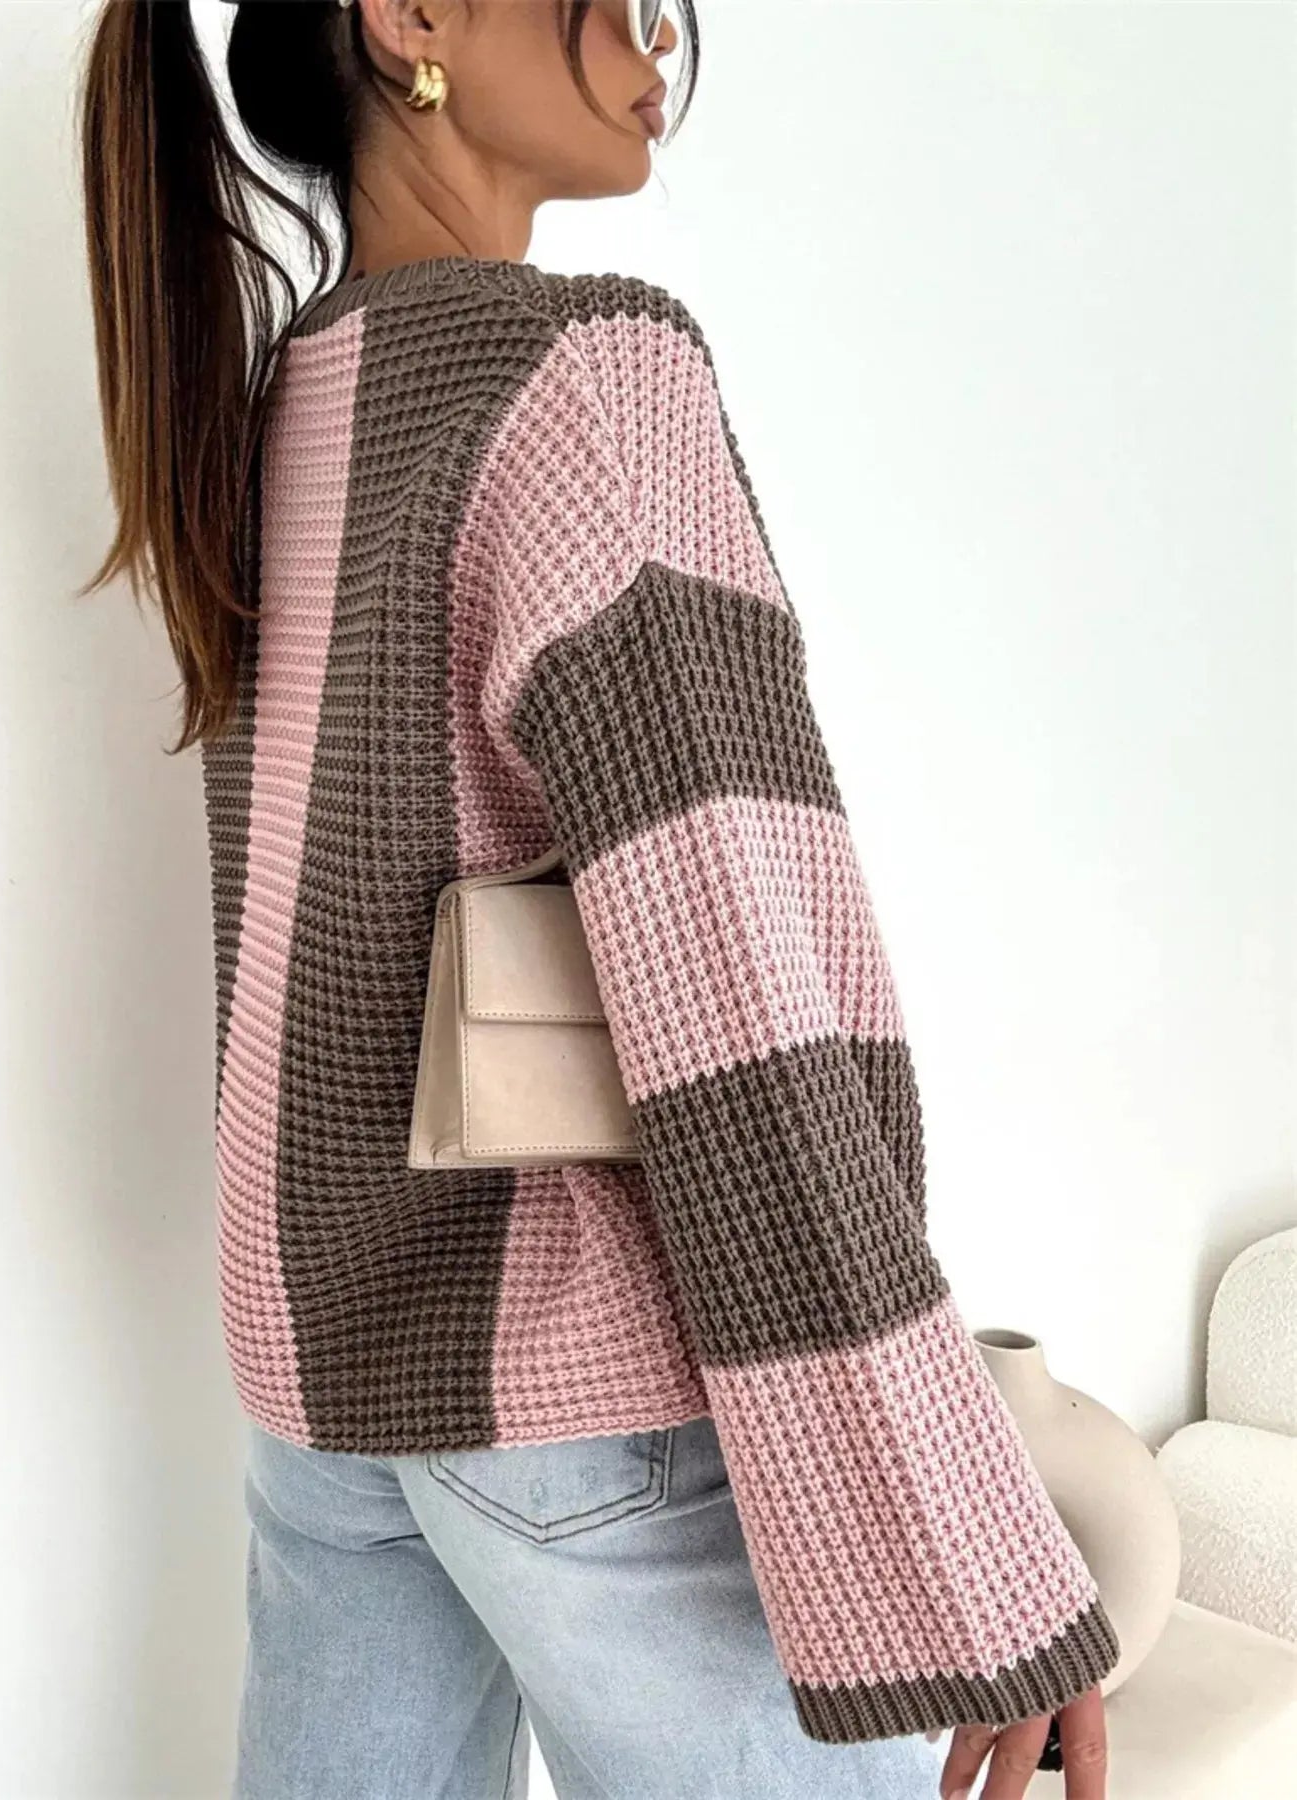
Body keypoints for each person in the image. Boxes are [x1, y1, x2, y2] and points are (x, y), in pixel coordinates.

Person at [77, 3, 1118, 1796]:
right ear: (413, 17)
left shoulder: (271, 408)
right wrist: (960, 1541)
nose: (652, 51)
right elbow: (736, 987)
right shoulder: (578, 379)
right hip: (582, 1394)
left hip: (320, 1373)